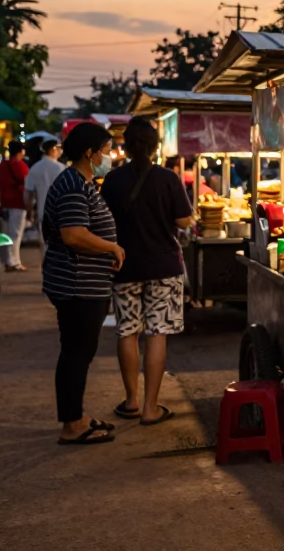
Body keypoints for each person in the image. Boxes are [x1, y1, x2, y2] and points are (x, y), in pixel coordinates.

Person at [101, 117, 193, 426]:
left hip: (124, 264)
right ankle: (151, 408)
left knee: (127, 331)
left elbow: (103, 222)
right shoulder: (167, 178)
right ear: (155, 147)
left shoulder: (112, 180)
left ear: (125, 146)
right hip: (163, 266)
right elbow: (183, 221)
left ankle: (131, 401)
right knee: (157, 334)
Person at [42, 122, 123, 445]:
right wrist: (112, 247)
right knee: (77, 352)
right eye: (105, 150)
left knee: (78, 352)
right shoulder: (74, 185)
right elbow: (73, 235)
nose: (110, 156)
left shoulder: (82, 181)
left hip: (84, 283)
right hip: (77, 285)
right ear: (89, 153)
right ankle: (72, 425)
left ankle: (75, 416)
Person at [26, 139, 65, 259]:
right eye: (59, 148)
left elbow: (29, 193)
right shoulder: (61, 168)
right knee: (60, 245)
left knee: (44, 245)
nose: (60, 151)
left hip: (43, 213)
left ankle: (46, 270)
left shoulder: (35, 168)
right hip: (60, 213)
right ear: (53, 149)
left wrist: (29, 212)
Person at [0, 140, 29, 272]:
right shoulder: (21, 165)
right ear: (21, 151)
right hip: (18, 203)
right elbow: (27, 184)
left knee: (7, 233)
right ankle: (13, 262)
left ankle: (9, 261)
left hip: (4, 203)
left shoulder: (1, 166)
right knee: (16, 234)